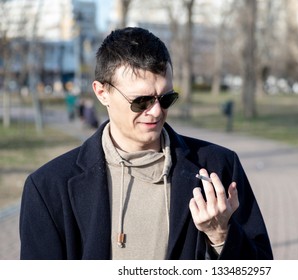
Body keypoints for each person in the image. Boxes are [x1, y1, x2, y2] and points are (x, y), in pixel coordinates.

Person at [19, 27, 273, 260]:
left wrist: (221, 236)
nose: (155, 112)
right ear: (101, 93)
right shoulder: (49, 187)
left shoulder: (218, 166)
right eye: (140, 101)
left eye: (165, 98)